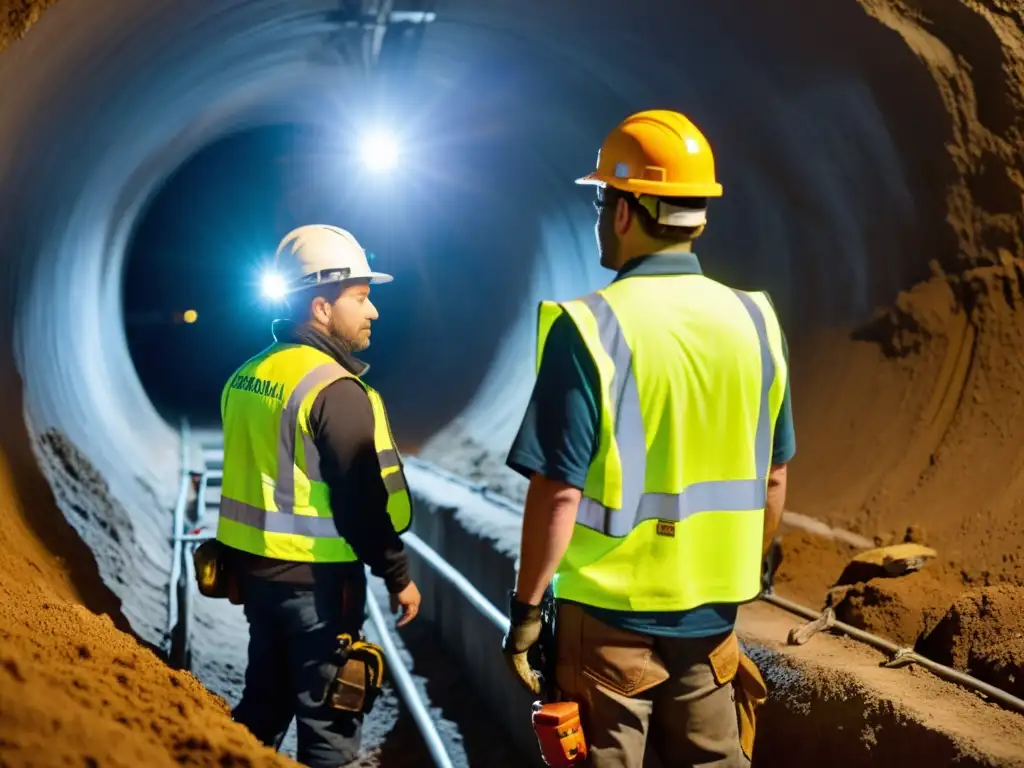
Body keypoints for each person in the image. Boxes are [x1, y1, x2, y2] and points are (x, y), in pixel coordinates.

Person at [500, 110, 795, 767]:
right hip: (711, 620)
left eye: (604, 199)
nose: (601, 216)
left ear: (628, 211)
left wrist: (525, 613)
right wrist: (753, 563)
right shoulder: (756, 321)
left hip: (606, 623)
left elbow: (557, 493)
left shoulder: (590, 329)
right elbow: (774, 480)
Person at [215, 224, 421, 767]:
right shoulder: (335, 391)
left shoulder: (247, 376)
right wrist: (397, 574)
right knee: (330, 731)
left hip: (260, 580)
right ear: (323, 309)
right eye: (360, 298)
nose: (373, 311)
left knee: (263, 708)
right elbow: (358, 504)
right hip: (320, 589)